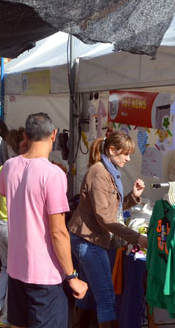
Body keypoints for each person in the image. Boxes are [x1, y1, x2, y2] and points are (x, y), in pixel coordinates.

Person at [0, 113, 87, 328]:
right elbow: (58, 232)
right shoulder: (53, 174)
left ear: (26, 136)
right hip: (45, 275)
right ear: (54, 135)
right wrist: (72, 275)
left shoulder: (9, 167)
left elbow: (2, 198)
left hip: (17, 269)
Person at [68, 132, 147, 328]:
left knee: (89, 295)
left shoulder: (106, 171)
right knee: (106, 298)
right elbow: (105, 218)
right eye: (125, 154)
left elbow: (110, 209)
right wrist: (137, 238)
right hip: (89, 241)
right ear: (112, 151)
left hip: (88, 239)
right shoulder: (100, 173)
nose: (128, 159)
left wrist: (132, 196)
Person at [0, 127, 26, 328]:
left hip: (1, 223)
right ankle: (7, 316)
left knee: (7, 269)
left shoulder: (4, 167)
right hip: (16, 226)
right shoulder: (26, 168)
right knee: (15, 273)